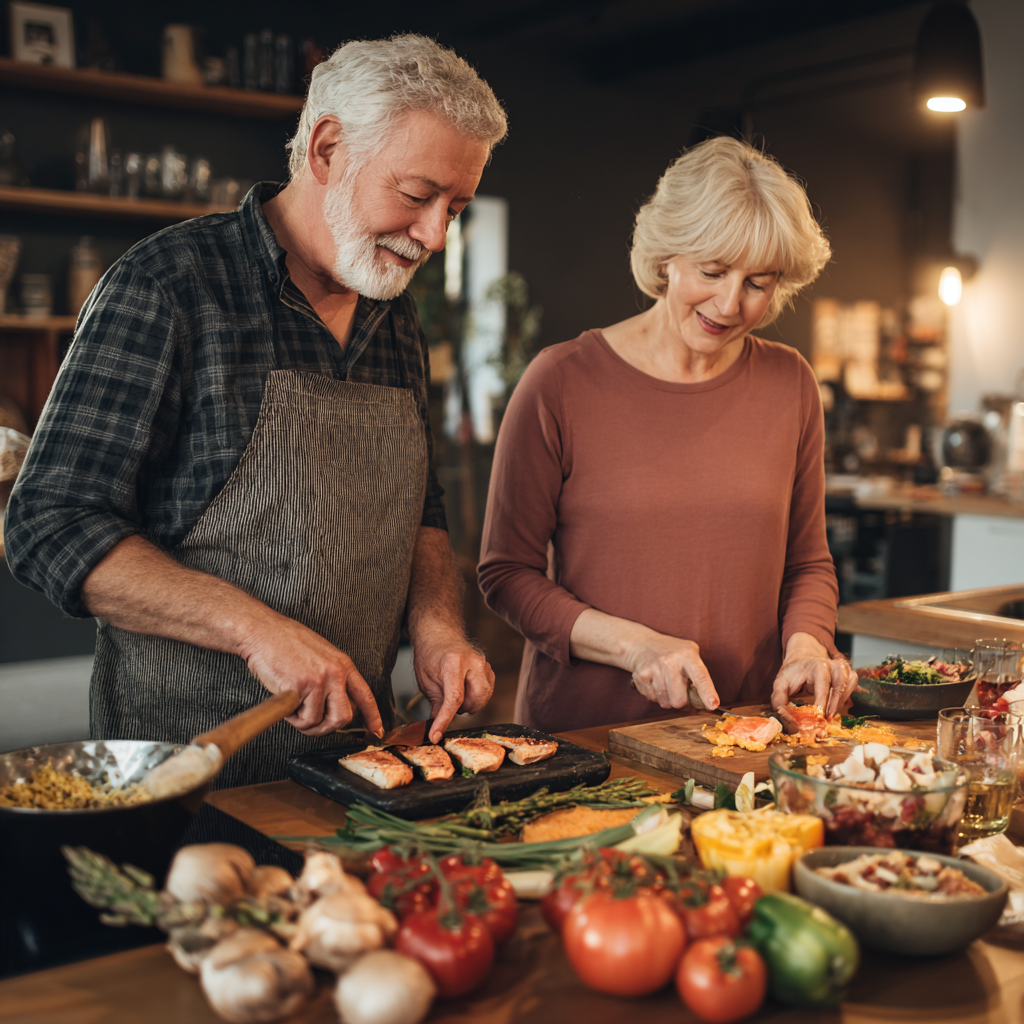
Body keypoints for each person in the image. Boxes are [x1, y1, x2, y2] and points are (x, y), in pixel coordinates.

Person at [4, 35, 506, 787]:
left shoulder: (393, 317)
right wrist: (255, 632)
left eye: (456, 207)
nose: (435, 234)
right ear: (328, 148)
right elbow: (48, 525)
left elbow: (421, 509)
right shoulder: (167, 288)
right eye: (416, 195)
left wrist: (437, 627)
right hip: (188, 768)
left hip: (359, 767)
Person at [478, 136, 858, 735]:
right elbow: (507, 575)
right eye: (712, 271)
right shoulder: (560, 381)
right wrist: (636, 647)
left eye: (759, 283)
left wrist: (809, 645)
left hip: (746, 731)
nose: (730, 303)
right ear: (665, 258)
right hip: (590, 736)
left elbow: (808, 560)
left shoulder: (791, 383)